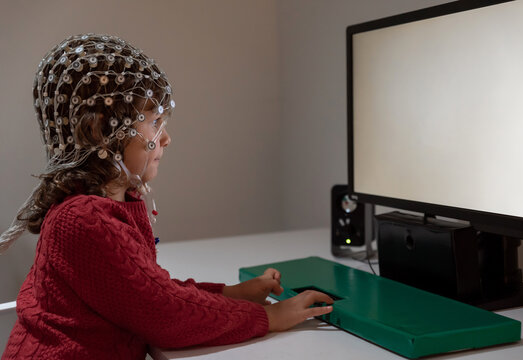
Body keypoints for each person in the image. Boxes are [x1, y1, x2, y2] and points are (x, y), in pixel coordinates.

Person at [0, 34, 333, 359]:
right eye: (156, 121)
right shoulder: (84, 220)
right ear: (104, 131)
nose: (167, 138)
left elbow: (148, 289)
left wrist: (231, 294)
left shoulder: (104, 206)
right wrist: (270, 319)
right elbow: (164, 314)